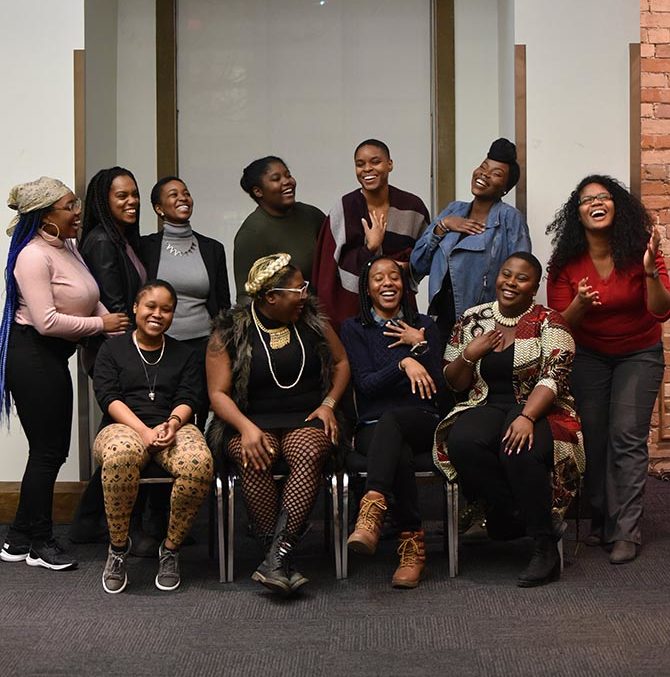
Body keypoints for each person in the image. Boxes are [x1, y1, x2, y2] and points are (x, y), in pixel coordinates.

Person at [0, 176, 129, 570]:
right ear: (46, 216)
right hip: (33, 355)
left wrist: (119, 326)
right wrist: (103, 328)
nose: (78, 212)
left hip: (53, 358)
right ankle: (40, 542)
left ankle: (18, 538)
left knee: (52, 450)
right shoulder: (33, 256)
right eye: (69, 206)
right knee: (48, 451)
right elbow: (46, 321)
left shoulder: (68, 247)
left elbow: (88, 301)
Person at [433, 252, 584, 587]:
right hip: (485, 402)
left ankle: (543, 548)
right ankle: (513, 516)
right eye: (506, 274)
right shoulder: (474, 318)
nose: (511, 283)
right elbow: (454, 381)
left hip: (540, 405)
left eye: (522, 278)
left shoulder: (550, 321)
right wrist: (471, 353)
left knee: (518, 448)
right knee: (462, 442)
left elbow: (554, 377)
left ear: (534, 287)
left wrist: (528, 416)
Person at [207, 253, 350, 595]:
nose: (305, 293)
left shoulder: (313, 319)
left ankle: (275, 557)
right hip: (249, 420)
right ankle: (280, 557)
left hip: (307, 417)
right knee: (252, 453)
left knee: (310, 450)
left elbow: (342, 362)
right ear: (271, 297)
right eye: (298, 288)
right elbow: (218, 394)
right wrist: (245, 427)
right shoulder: (229, 329)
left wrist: (329, 404)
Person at [546, 175, 670, 564]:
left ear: (616, 207)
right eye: (586, 200)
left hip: (639, 352)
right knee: (595, 438)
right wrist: (581, 303)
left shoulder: (641, 251)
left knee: (627, 437)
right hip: (589, 355)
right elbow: (560, 324)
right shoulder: (565, 263)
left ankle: (626, 531)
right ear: (577, 213)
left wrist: (650, 271)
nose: (596, 203)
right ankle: (600, 517)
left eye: (604, 197)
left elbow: (661, 309)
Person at [92, 279, 213, 593]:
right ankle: (118, 549)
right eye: (151, 306)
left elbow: (190, 395)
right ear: (135, 308)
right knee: (119, 456)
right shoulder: (112, 348)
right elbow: (108, 396)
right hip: (123, 426)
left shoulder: (185, 353)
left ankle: (170, 550)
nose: (158, 314)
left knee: (198, 462)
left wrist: (173, 423)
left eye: (167, 309)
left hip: (174, 425)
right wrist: (143, 431)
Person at [340, 256, 445, 588]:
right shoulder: (354, 328)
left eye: (395, 277)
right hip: (374, 426)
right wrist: (404, 365)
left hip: (423, 421)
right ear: (367, 289)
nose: (388, 283)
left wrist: (420, 344)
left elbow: (440, 386)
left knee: (395, 422)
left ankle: (371, 508)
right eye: (378, 279)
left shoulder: (427, 324)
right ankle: (411, 545)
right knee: (392, 438)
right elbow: (366, 385)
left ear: (405, 284)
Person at [71, 166, 149, 550]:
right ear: (104, 200)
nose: (132, 201)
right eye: (122, 196)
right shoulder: (103, 241)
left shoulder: (121, 239)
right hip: (115, 353)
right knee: (119, 435)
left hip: (120, 349)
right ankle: (92, 520)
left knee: (122, 436)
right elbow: (116, 309)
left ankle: (100, 520)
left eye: (134, 194)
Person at [411, 138, 531, 346]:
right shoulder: (453, 210)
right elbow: (418, 263)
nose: (484, 174)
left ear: (505, 188)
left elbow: (521, 275)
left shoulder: (509, 218)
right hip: (440, 322)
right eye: (483, 167)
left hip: (484, 325)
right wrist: (443, 225)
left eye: (496, 174)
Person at [141, 175, 231, 428]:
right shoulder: (145, 247)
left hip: (203, 346)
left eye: (186, 192)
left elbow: (222, 304)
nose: (183, 198)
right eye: (173, 194)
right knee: (163, 411)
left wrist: (222, 343)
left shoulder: (212, 248)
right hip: (159, 346)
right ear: (159, 209)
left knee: (199, 410)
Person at [312, 139, 429, 332]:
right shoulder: (345, 207)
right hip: (352, 312)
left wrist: (406, 267)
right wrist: (370, 249)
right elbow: (327, 269)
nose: (367, 169)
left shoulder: (412, 207)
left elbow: (425, 258)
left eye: (375, 162)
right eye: (360, 164)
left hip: (400, 310)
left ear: (390, 164)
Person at [235, 156, 325, 305]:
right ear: (258, 191)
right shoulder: (251, 233)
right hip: (280, 321)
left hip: (318, 313)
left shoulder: (311, 215)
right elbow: (246, 296)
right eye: (276, 179)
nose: (287, 181)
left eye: (288, 175)